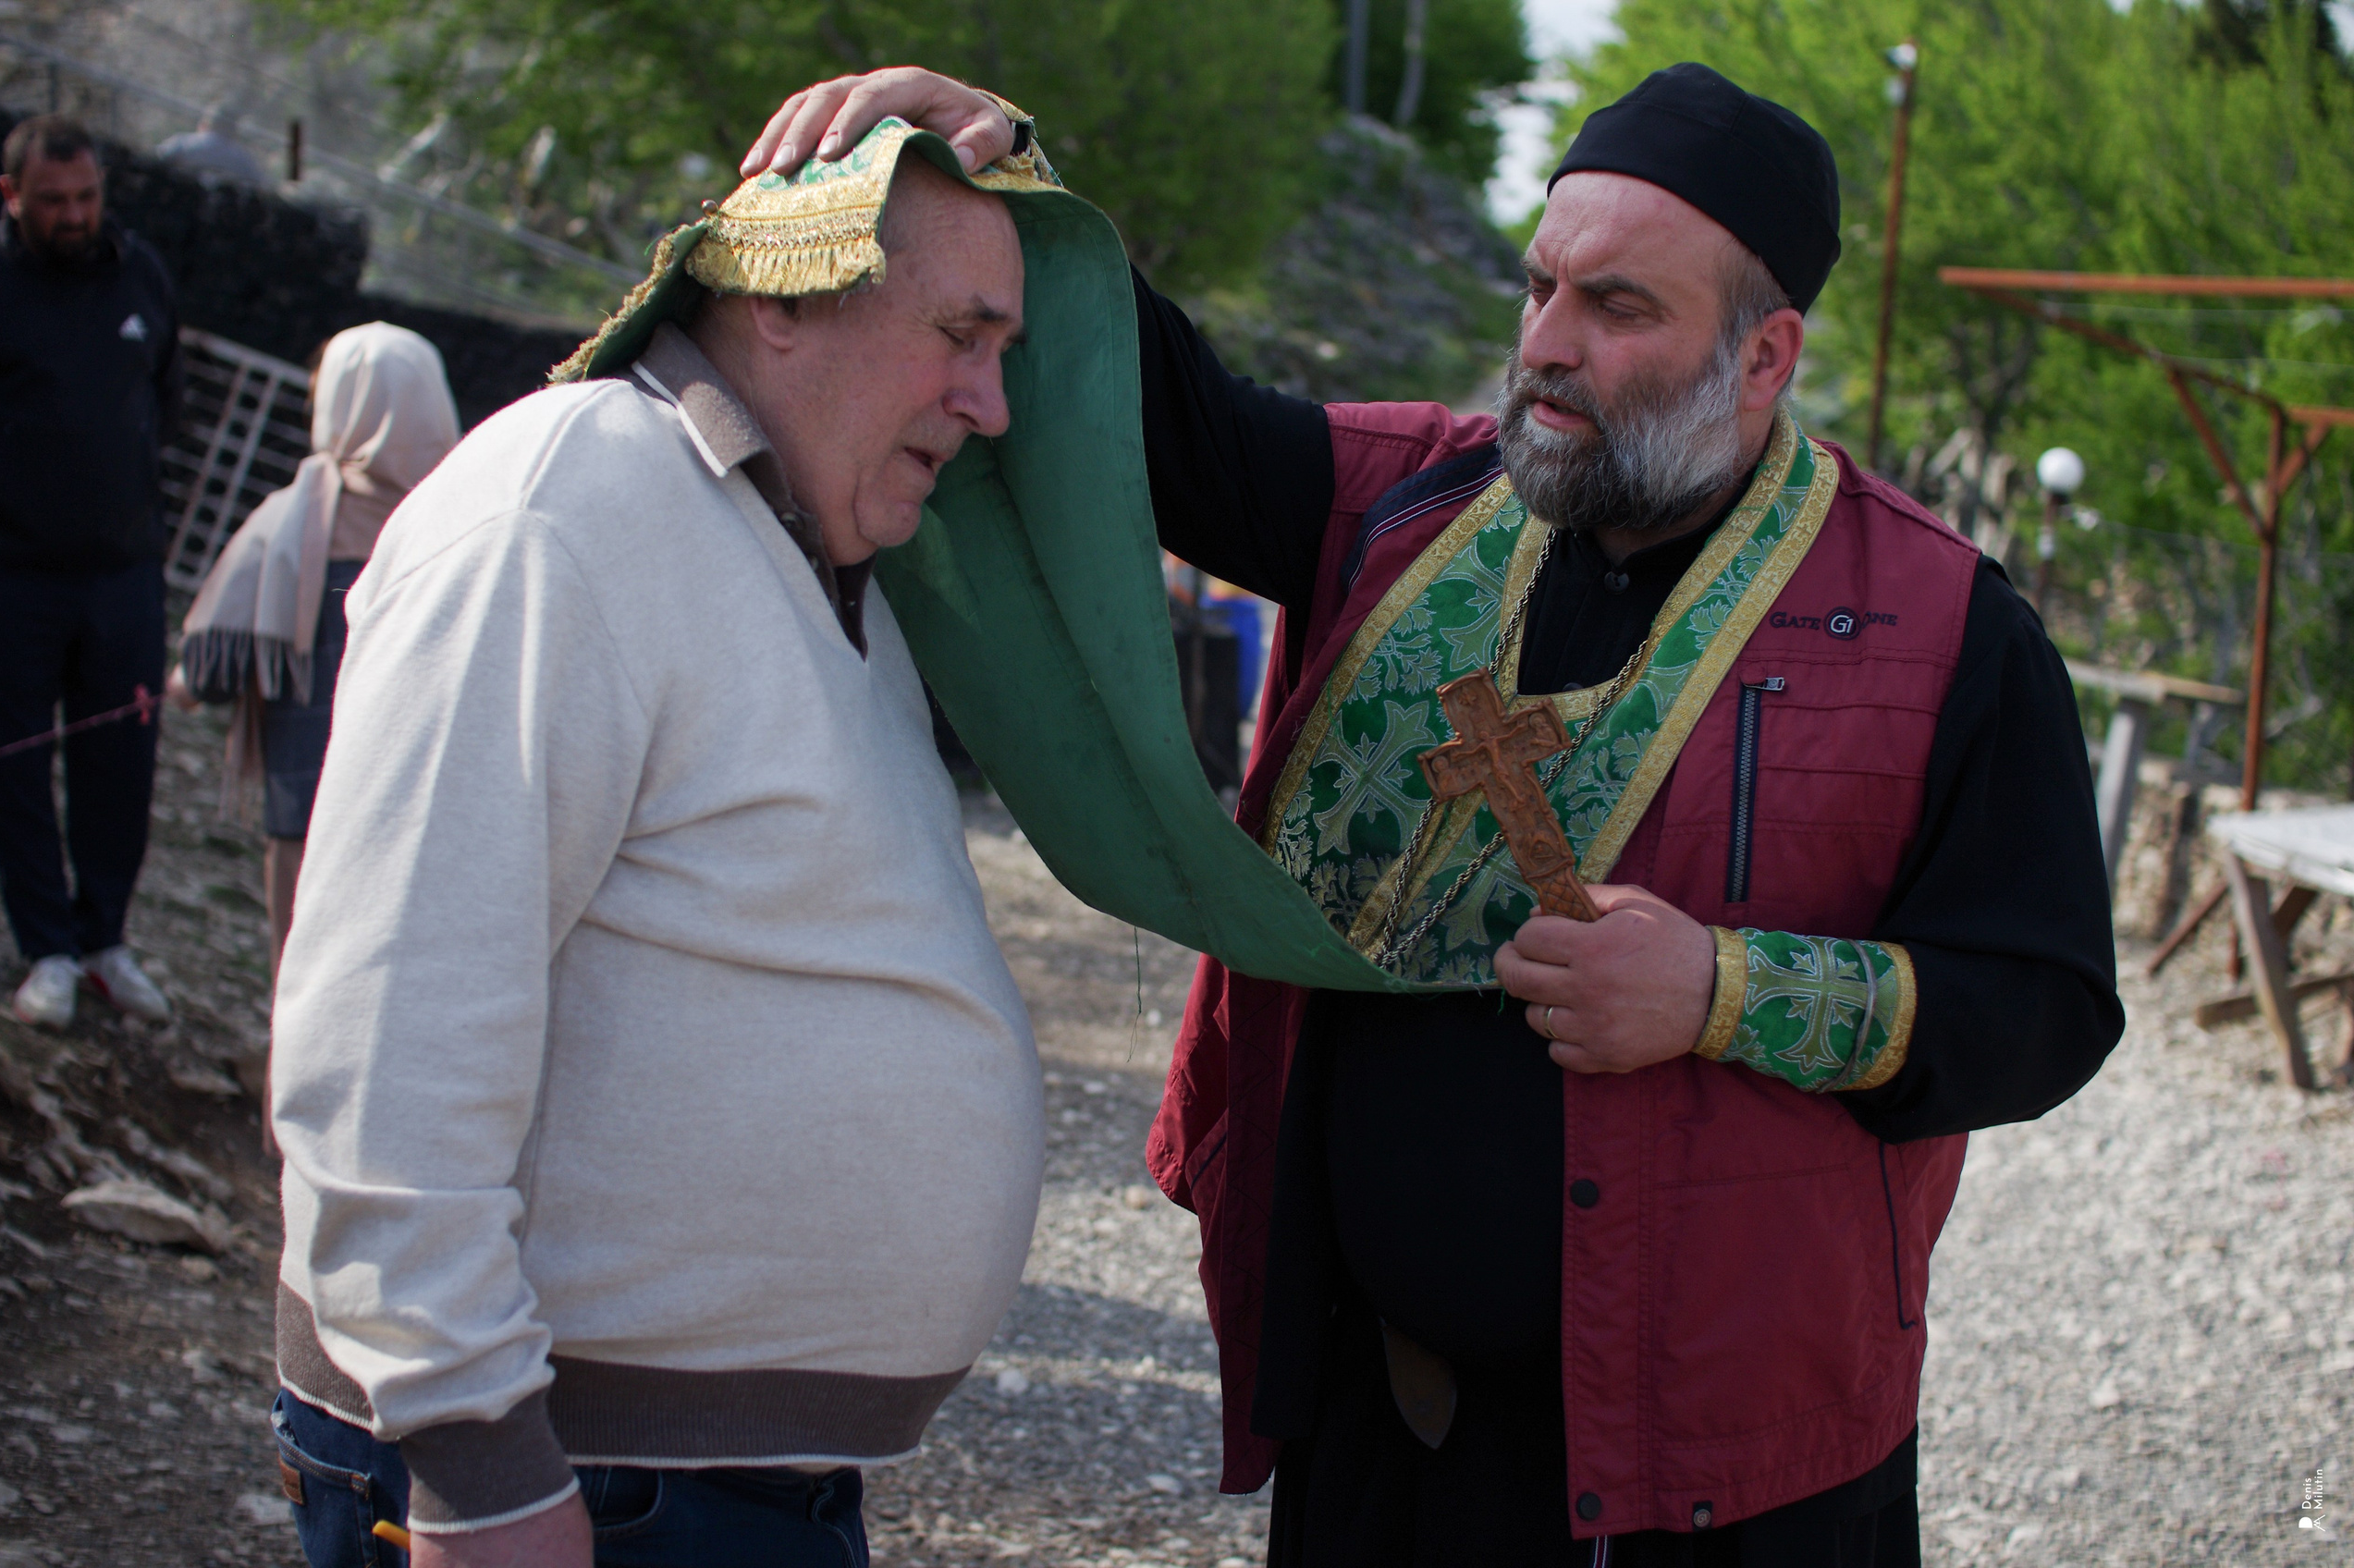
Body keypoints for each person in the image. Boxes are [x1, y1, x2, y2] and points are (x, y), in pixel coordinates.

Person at [761, 65, 2126, 1564]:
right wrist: (1009, 166)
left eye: (1616, 309)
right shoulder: (1405, 501)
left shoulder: (1942, 627)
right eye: (1539, 287)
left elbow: (2044, 1005)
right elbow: (1174, 422)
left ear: (1763, 357)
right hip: (1383, 1442)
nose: (1545, 346)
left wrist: (1721, 992)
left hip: (1727, 1487)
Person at [265, 112, 1101, 1568]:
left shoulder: (804, 534)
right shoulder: (562, 510)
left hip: (714, 1484)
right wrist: (479, 1460)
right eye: (961, 336)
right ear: (783, 295)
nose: (992, 404)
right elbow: (385, 1031)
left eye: (1002, 354)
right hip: (570, 1479)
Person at [171, 322, 461, 994]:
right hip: (422, 824)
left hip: (306, 813)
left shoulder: (292, 523)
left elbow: (214, 668)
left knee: (305, 1000)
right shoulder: (463, 527)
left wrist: (184, 682)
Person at [0, 114, 178, 1031]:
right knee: (16, 765)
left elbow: (162, 400)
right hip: (9, 574)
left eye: (87, 197)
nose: (74, 216)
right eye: (53, 201)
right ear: (11, 196)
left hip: (122, 577)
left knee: (121, 761)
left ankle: (104, 938)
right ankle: (47, 950)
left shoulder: (139, 273)